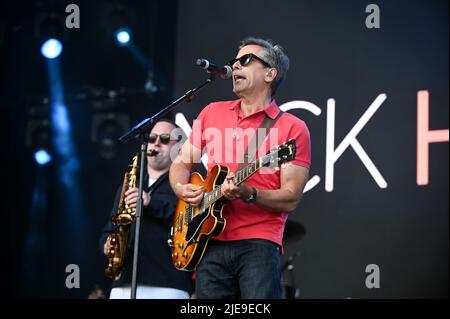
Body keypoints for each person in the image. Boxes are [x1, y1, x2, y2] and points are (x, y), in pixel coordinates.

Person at [169, 37, 311, 299]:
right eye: (234, 62)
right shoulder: (212, 112)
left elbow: (291, 196)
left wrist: (250, 194)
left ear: (270, 73)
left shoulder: (293, 127)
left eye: (245, 61)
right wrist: (181, 187)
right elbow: (180, 163)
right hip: (208, 242)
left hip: (258, 243)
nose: (235, 67)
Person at [100, 119, 194, 299]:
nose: (156, 143)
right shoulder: (128, 186)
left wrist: (151, 202)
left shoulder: (187, 184)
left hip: (167, 284)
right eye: (152, 138)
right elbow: (109, 228)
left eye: (165, 139)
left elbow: (187, 221)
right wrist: (107, 243)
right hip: (123, 284)